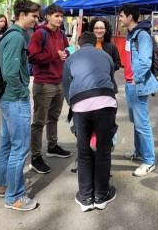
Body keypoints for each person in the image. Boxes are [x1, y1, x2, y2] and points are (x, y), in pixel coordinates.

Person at [63, 32, 117, 212]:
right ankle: (102, 196)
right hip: (106, 103)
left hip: (80, 105)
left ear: (79, 44)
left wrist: (73, 105)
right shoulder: (106, 56)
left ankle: (85, 197)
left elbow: (66, 85)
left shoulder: (71, 58)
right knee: (103, 150)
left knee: (84, 152)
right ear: (96, 43)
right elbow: (112, 82)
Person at [0, 0, 40, 211]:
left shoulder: (12, 35)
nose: (36, 19)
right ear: (22, 14)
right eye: (34, 15)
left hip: (8, 99)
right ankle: (14, 197)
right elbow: (10, 72)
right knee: (19, 148)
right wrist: (23, 91)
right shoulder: (15, 37)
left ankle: (6, 186)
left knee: (7, 145)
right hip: (15, 100)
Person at [28, 4, 71, 174]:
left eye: (61, 16)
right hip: (43, 83)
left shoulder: (61, 33)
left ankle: (52, 146)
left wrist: (68, 53)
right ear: (47, 16)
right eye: (56, 16)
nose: (59, 19)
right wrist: (55, 55)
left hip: (59, 82)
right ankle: (35, 156)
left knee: (53, 118)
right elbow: (32, 57)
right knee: (39, 121)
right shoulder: (40, 33)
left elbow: (67, 49)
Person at [118, 4, 158, 177]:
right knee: (136, 121)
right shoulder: (131, 34)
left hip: (137, 84)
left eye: (121, 15)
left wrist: (135, 78)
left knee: (143, 124)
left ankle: (149, 161)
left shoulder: (141, 35)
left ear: (130, 17)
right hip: (130, 83)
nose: (119, 18)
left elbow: (144, 61)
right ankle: (139, 152)